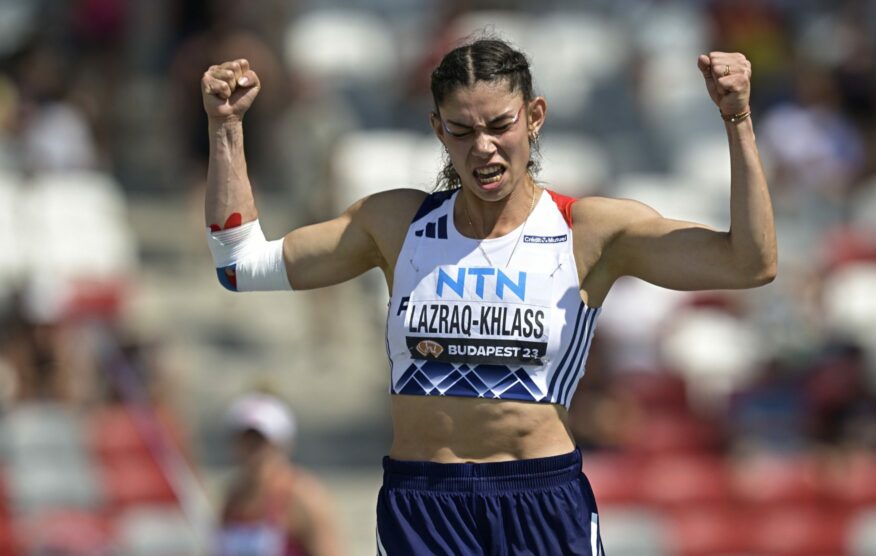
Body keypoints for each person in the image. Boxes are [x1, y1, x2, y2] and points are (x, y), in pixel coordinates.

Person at [202, 37, 775, 555]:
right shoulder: (397, 223)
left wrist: (739, 119)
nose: (483, 148)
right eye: (462, 130)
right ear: (437, 130)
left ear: (535, 117)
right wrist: (226, 128)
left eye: (500, 125)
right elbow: (240, 266)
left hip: (541, 503)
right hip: (423, 508)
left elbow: (750, 264)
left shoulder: (589, 231)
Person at [218, 392, 344, 556]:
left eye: (262, 443)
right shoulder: (232, 498)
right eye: (247, 443)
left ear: (283, 445)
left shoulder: (304, 498)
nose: (255, 453)